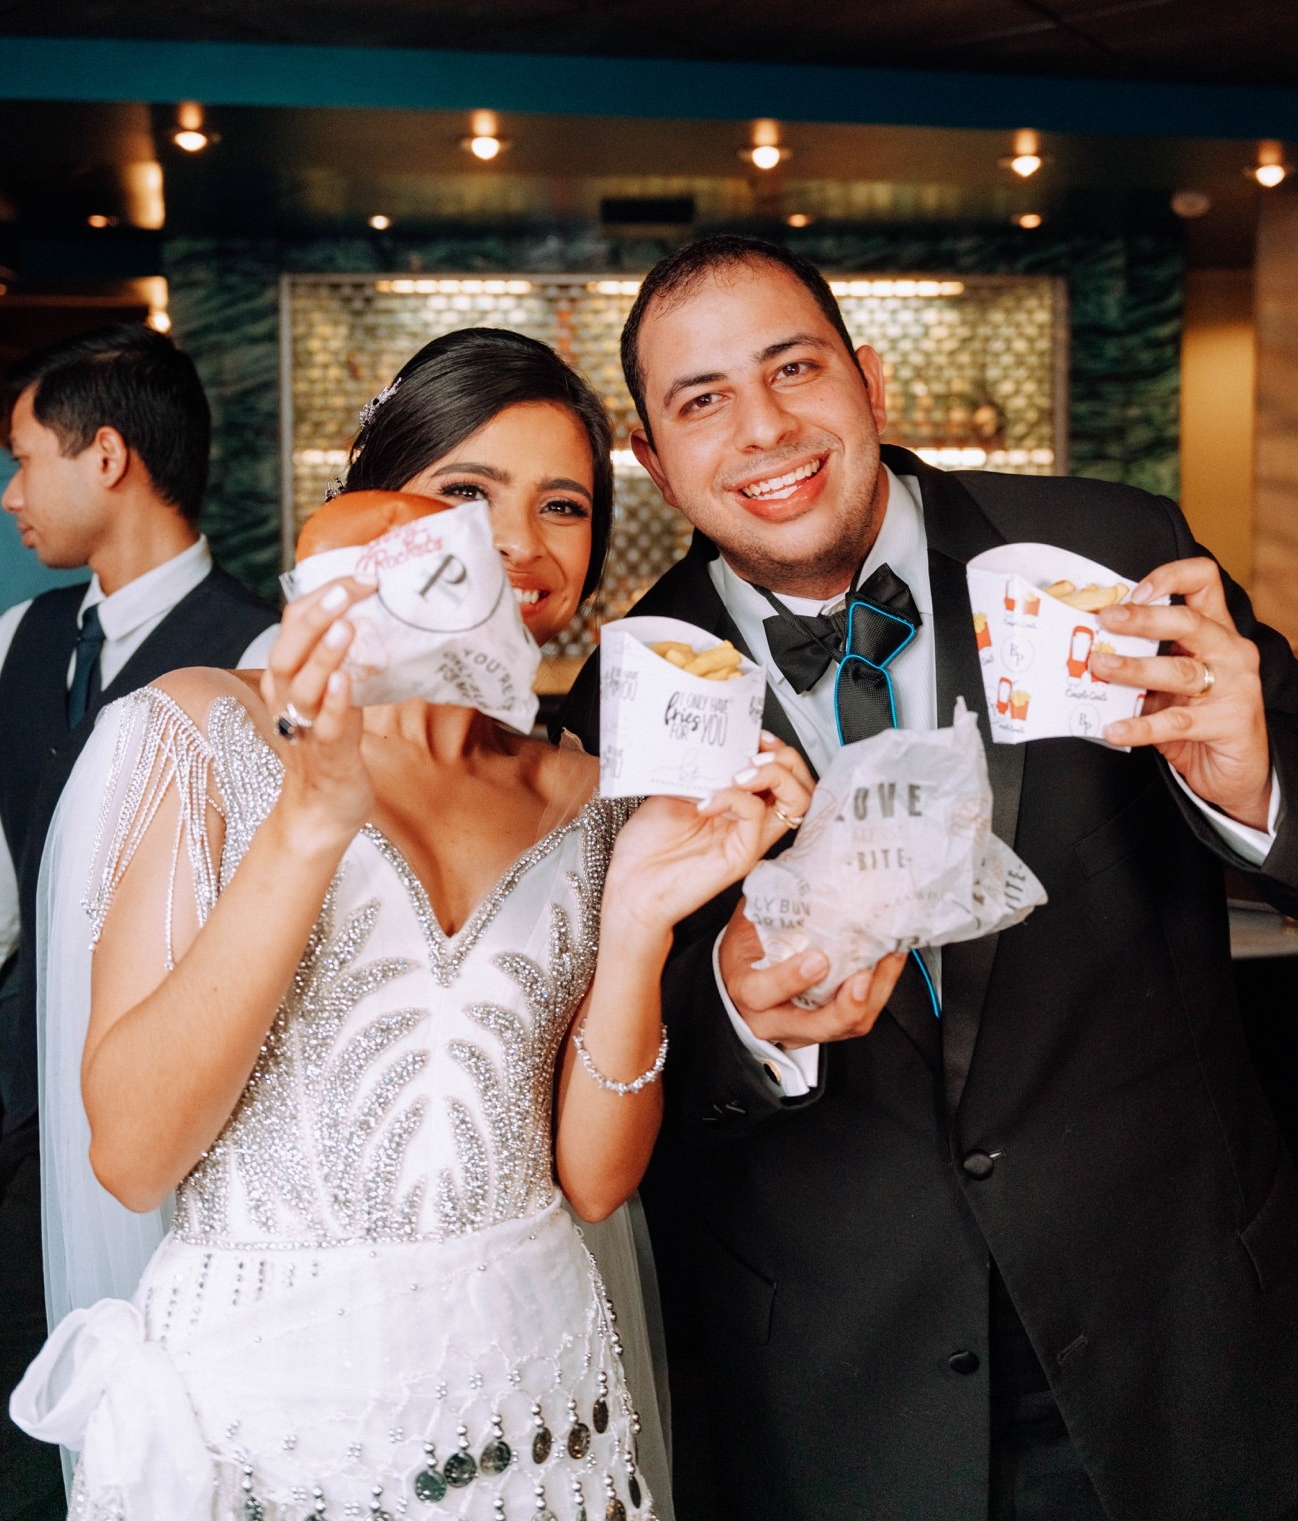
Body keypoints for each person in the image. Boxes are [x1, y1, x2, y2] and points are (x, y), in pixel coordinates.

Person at [12, 327, 812, 1521]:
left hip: (535, 1417)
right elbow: (129, 1153)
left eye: (563, 504)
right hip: (268, 1434)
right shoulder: (202, 732)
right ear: (375, 511)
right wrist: (310, 818)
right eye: (463, 493)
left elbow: (594, 1183)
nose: (516, 544)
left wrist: (641, 916)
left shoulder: (590, 798)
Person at [559, 235, 1298, 1521]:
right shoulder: (623, 698)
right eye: (702, 400)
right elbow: (613, 1058)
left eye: (794, 367)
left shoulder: (1104, 545)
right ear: (651, 458)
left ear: (869, 379)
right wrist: (732, 1009)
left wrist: (1249, 778)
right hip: (852, 1398)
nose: (765, 427)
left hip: (1181, 1337)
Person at [0, 324, 279, 1521]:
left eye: (21, 458)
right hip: (18, 1115)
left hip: (186, 1154)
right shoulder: (19, 640)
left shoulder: (263, 658)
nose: (11, 494)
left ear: (105, 454)